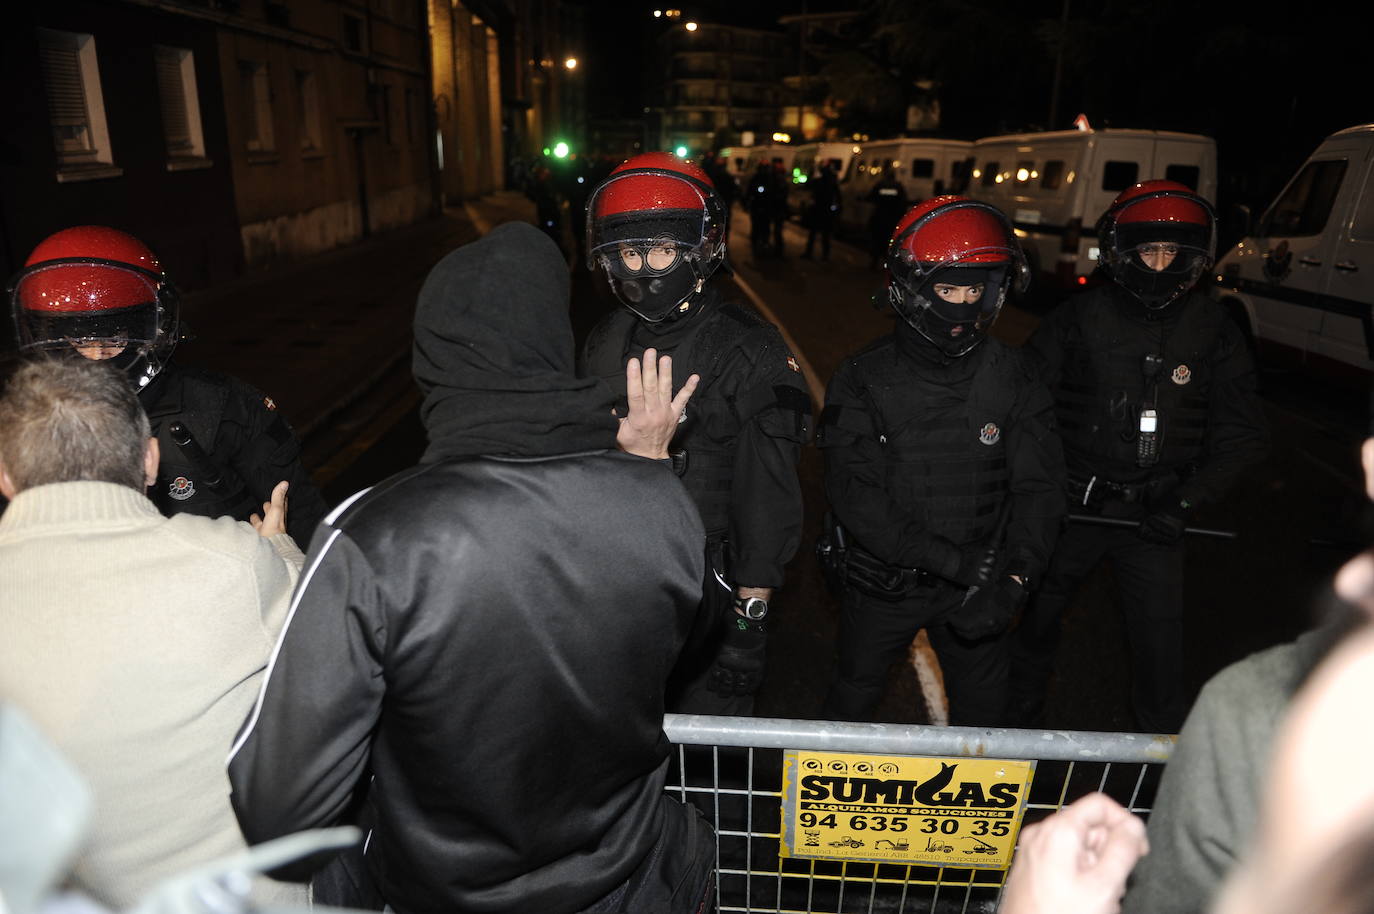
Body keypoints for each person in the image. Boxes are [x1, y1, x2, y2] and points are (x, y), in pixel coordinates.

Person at [227, 222, 716, 914]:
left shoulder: (375, 533)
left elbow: (277, 810)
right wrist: (648, 470)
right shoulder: (657, 501)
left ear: (432, 356)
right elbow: (697, 635)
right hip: (620, 882)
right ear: (553, 341)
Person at [0, 356, 307, 910]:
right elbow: (318, 633)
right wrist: (277, 546)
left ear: (4, 473)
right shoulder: (232, 562)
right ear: (150, 460)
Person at [1010, 179, 1270, 734]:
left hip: (1155, 518)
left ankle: (1157, 789)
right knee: (1031, 630)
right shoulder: (1075, 319)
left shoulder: (1214, 329)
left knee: (1160, 658)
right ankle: (1014, 747)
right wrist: (1041, 493)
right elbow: (1024, 411)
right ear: (1121, 252)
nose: (1159, 265)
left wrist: (1184, 502)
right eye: (1147, 251)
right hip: (1072, 512)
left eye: (1172, 253)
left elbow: (1242, 436)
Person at [817, 195, 1065, 725]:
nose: (961, 307)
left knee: (984, 722)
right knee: (850, 710)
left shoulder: (1016, 375)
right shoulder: (863, 377)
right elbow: (855, 497)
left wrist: (1015, 584)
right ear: (912, 289)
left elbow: (1039, 489)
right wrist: (955, 563)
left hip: (981, 586)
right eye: (946, 289)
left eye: (974, 289)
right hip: (886, 585)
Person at [580, 151, 811, 716]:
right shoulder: (604, 339)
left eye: (660, 249)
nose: (644, 269)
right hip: (617, 580)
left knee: (715, 759)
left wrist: (748, 623)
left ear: (701, 248)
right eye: (630, 252)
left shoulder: (748, 347)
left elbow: (768, 499)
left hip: (710, 586)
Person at [8, 225, 328, 545]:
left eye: (114, 338)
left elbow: (303, 520)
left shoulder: (222, 409)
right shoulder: (31, 425)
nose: (96, 356)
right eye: (79, 339)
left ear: (150, 332)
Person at [866, 167, 909, 270]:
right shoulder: (898, 186)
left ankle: (874, 262)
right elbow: (903, 202)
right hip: (892, 218)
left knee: (877, 240)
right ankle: (888, 265)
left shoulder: (880, 185)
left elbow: (871, 197)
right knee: (890, 242)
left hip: (880, 217)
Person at [801, 160, 842, 261]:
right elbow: (838, 197)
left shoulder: (819, 182)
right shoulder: (832, 183)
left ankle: (810, 253)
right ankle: (824, 255)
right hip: (825, 210)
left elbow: (808, 187)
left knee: (815, 233)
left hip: (818, 210)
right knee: (825, 235)